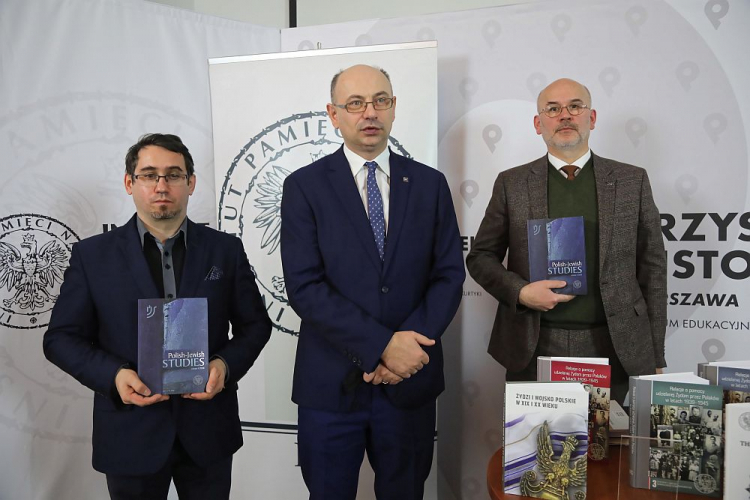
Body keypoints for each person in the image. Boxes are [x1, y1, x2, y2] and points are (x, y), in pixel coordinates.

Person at [43, 133, 272, 500]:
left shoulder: (225, 250)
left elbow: (256, 325)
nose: (161, 185)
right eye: (149, 175)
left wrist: (225, 366)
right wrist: (114, 376)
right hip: (129, 434)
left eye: (173, 175)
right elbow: (59, 339)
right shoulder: (93, 256)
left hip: (208, 430)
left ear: (190, 182)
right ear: (130, 183)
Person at [280, 64, 465, 500]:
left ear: (394, 108)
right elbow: (305, 286)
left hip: (410, 385)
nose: (370, 112)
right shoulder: (304, 187)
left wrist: (408, 350)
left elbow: (448, 275)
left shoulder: (430, 185)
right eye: (356, 103)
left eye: (381, 101)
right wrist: (383, 346)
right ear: (334, 113)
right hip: (330, 386)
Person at [466, 78, 667, 403]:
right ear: (538, 122)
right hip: (533, 343)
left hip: (613, 345)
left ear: (592, 117)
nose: (565, 116)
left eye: (575, 106)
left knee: (606, 451)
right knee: (536, 449)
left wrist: (656, 354)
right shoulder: (511, 184)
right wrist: (521, 292)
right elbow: (480, 257)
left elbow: (653, 270)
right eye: (553, 109)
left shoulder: (632, 181)